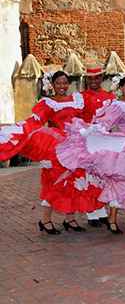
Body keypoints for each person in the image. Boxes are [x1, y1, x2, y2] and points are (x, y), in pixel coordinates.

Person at [57, 75, 125, 234]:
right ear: (120, 88)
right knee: (121, 181)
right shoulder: (118, 105)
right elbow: (106, 124)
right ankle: (112, 219)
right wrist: (89, 129)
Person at [0, 71, 104, 234]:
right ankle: (45, 220)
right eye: (58, 83)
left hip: (76, 144)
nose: (62, 86)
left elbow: (81, 119)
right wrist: (13, 129)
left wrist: (92, 128)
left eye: (64, 83)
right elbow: (34, 122)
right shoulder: (48, 103)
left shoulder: (77, 100)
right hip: (56, 147)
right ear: (52, 85)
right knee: (57, 182)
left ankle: (69, 219)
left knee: (75, 181)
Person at [81, 63, 116, 227]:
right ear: (86, 79)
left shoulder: (110, 97)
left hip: (105, 141)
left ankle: (101, 209)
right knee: (89, 176)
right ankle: (92, 213)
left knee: (104, 177)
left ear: (101, 78)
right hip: (88, 142)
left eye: (96, 78)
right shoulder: (80, 98)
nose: (93, 81)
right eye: (90, 78)